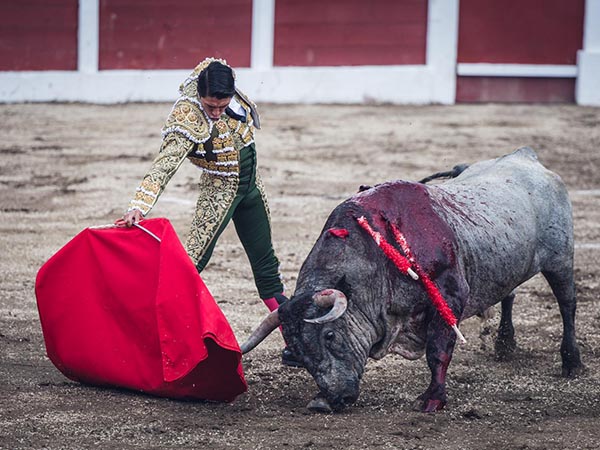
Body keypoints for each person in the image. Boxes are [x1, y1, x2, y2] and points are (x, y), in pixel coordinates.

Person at [118, 57, 300, 367]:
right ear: (200, 96)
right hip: (220, 191)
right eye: (210, 106)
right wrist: (139, 204)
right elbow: (164, 165)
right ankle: (150, 338)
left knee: (267, 268)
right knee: (190, 265)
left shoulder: (224, 81)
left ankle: (295, 341)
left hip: (251, 188)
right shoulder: (187, 117)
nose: (215, 112)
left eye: (222, 106)